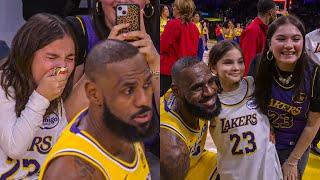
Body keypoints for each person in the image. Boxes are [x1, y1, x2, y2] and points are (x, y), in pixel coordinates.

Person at [39, 39, 158, 179]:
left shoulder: (127, 124)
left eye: (146, 85)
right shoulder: (71, 172)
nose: (143, 100)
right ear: (94, 94)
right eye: (128, 90)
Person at [0, 13, 76, 179]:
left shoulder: (54, 93)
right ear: (27, 55)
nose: (62, 67)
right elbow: (15, 148)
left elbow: (60, 150)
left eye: (70, 58)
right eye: (52, 57)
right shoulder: (3, 85)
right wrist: (41, 97)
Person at [253, 15, 320, 179]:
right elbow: (251, 103)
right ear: (270, 43)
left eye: (296, 39)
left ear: (303, 43)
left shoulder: (316, 74)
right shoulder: (258, 64)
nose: (289, 45)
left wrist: (292, 161)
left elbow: (313, 125)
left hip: (296, 146)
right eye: (281, 39)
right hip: (263, 141)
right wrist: (265, 125)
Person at [208, 40, 282, 180]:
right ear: (213, 68)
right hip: (234, 171)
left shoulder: (253, 84)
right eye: (228, 62)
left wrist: (270, 124)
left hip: (266, 169)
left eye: (240, 62)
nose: (236, 67)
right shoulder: (210, 101)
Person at [160, 56, 220, 180]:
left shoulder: (186, 97)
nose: (209, 91)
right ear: (177, 91)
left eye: (211, 81)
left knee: (241, 164)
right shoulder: (173, 151)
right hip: (177, 172)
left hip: (195, 160)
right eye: (197, 87)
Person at [160, 0, 199, 97]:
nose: (172, 8)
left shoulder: (173, 24)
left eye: (175, 6)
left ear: (179, 9)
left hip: (169, 70)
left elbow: (162, 47)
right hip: (186, 70)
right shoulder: (194, 27)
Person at [240, 0, 277, 75]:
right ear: (270, 12)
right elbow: (248, 60)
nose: (276, 14)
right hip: (253, 80)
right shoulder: (253, 30)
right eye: (275, 11)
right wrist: (249, 84)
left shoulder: (264, 29)